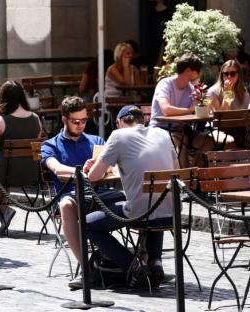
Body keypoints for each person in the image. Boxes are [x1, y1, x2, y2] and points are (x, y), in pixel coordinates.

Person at [83, 105, 177, 289]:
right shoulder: (163, 134)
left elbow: (93, 176)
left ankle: (133, 265)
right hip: (171, 213)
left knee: (86, 224)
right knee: (153, 201)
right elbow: (176, 168)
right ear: (144, 121)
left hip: (140, 213)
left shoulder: (118, 136)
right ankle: (155, 262)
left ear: (119, 123)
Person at [40, 96, 108, 268]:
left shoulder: (97, 141)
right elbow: (56, 168)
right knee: (66, 205)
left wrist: (101, 168)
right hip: (72, 197)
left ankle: (146, 262)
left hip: (101, 195)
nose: (81, 125)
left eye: (84, 120)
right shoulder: (50, 145)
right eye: (75, 121)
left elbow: (111, 167)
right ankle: (86, 268)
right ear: (64, 119)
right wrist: (81, 172)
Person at [0, 80, 43, 229]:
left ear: (3, 98)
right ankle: (2, 214)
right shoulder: (36, 119)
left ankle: (4, 210)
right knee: (3, 174)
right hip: (31, 173)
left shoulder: (0, 121)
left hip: (6, 174)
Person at [150, 53, 211, 166]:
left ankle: (195, 177)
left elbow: (201, 107)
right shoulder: (165, 84)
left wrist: (201, 97)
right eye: (198, 71)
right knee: (181, 140)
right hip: (161, 128)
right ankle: (184, 179)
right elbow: (166, 110)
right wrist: (189, 110)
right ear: (188, 71)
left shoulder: (191, 88)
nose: (200, 74)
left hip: (181, 129)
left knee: (208, 142)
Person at [144, 0, 174, 72]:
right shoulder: (149, 12)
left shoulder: (169, 13)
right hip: (151, 47)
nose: (149, 0)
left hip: (163, 46)